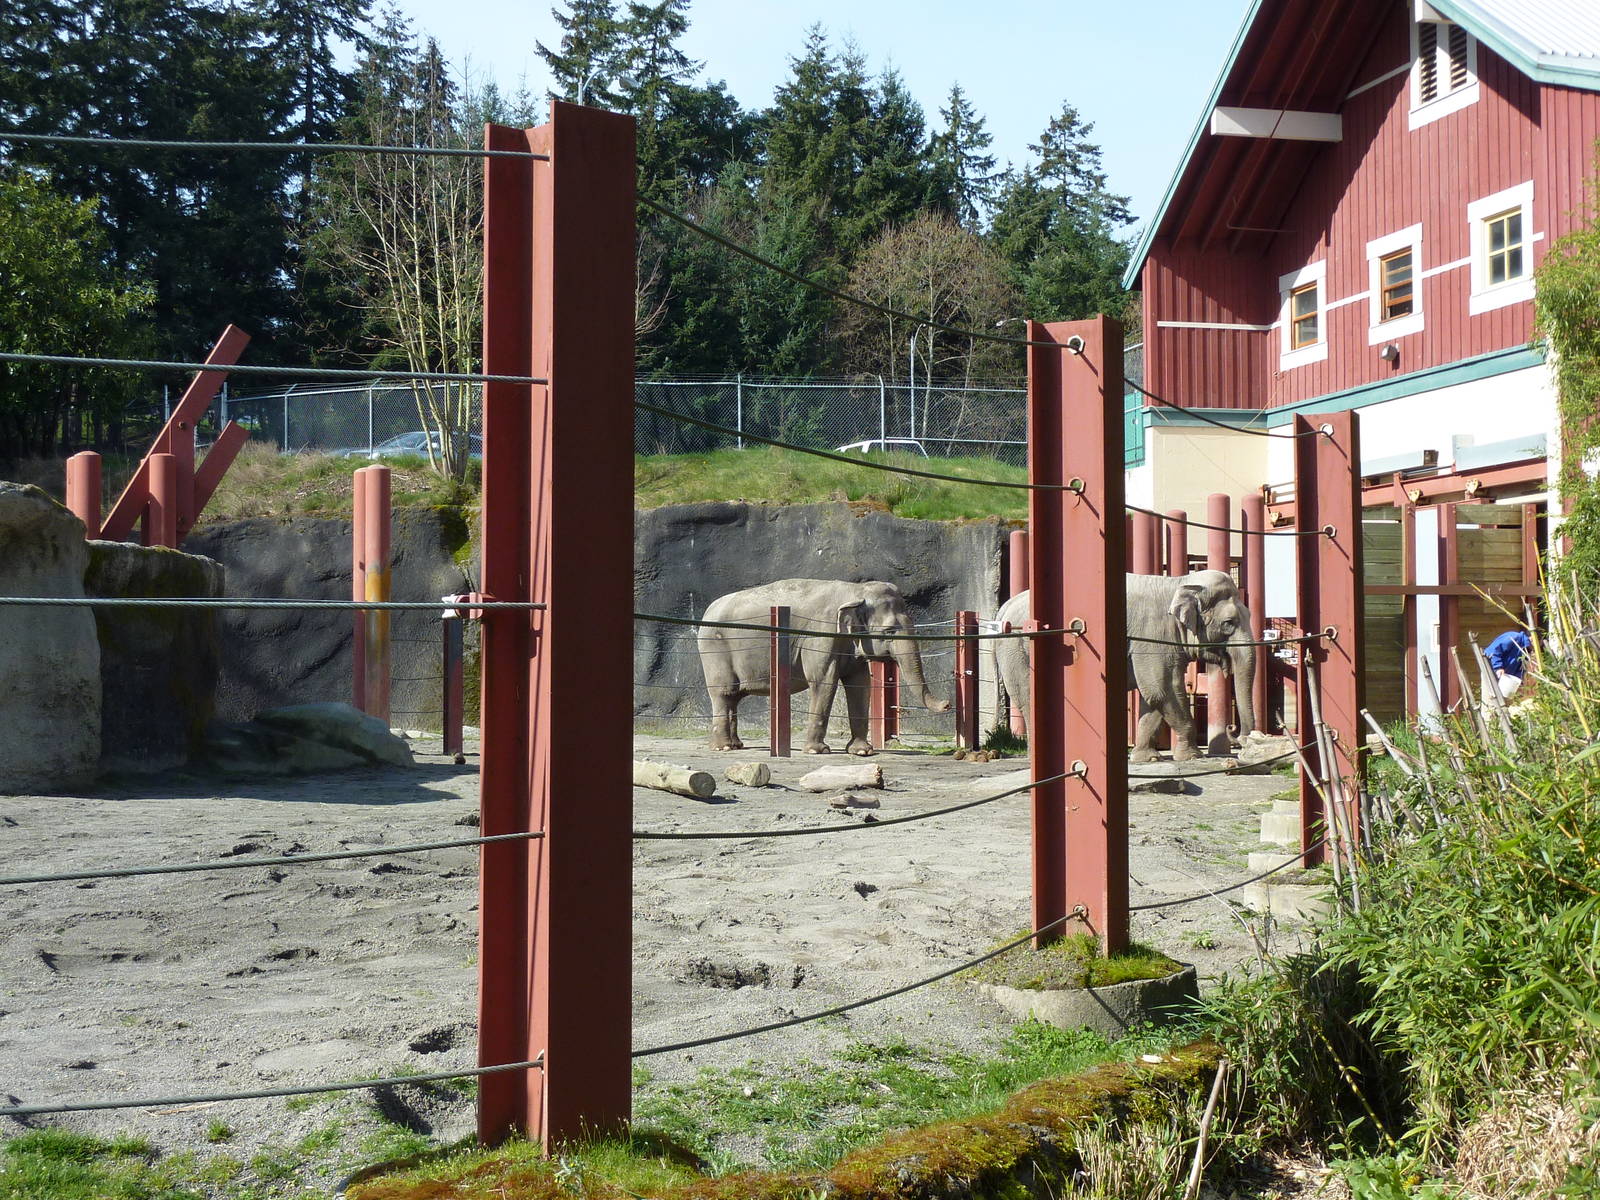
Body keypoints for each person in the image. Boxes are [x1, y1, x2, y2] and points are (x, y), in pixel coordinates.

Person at [1483, 629, 1533, 700]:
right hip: (1490, 668)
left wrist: (1518, 680)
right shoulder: (1514, 637)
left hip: (1505, 677)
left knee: (1503, 701)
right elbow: (1496, 651)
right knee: (1490, 699)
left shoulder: (1525, 648)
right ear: (1533, 638)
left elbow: (1520, 667)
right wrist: (1498, 667)